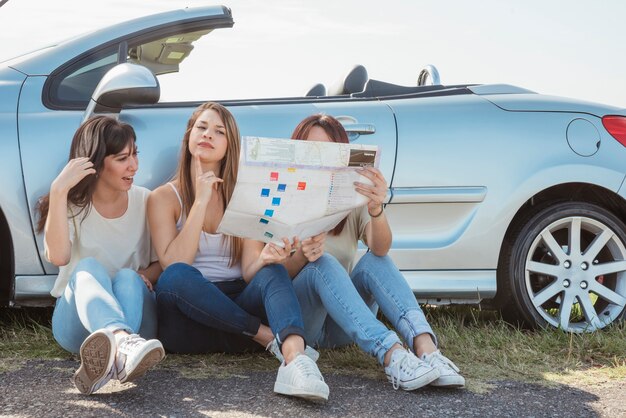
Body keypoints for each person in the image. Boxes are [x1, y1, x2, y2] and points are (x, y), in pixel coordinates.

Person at [148, 102, 329, 401]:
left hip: (236, 307)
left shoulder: (245, 197)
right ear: (189, 136)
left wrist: (266, 258)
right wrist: (201, 201)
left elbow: (248, 271)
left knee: (272, 271)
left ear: (229, 145)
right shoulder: (163, 198)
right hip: (188, 319)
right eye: (202, 127)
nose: (208, 134)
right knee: (176, 276)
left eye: (219, 131)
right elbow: (174, 263)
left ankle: (296, 360)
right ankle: (270, 339)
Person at [284, 114, 465, 390]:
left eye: (330, 152)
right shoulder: (281, 197)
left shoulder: (349, 198)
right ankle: (392, 354)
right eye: (311, 151)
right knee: (321, 263)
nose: (320, 160)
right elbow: (269, 278)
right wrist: (302, 256)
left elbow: (380, 247)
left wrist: (376, 208)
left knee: (374, 262)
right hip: (302, 325)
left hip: (343, 326)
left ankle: (427, 350)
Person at [37, 116, 165, 395]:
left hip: (135, 314)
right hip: (76, 324)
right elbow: (58, 256)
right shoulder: (71, 204)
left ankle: (115, 351)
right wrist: (59, 191)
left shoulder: (146, 200)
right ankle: (122, 346)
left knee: (129, 277)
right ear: (95, 164)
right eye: (122, 158)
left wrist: (146, 275)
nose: (134, 165)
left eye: (134, 155)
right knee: (87, 268)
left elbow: (161, 262)